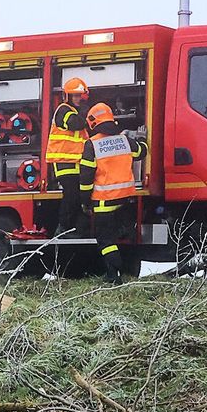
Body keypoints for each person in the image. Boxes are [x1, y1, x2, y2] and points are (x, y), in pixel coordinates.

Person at [78, 102, 147, 285]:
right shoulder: (125, 140)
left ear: (93, 123)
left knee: (105, 240)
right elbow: (142, 152)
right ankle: (126, 270)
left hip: (103, 202)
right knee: (123, 236)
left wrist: (84, 201)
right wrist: (142, 138)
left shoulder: (92, 144)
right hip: (125, 199)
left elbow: (86, 177)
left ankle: (113, 274)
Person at [45, 77, 92, 238]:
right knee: (71, 195)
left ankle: (77, 230)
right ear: (68, 96)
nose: (78, 98)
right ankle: (63, 229)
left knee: (79, 197)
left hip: (77, 162)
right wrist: (86, 112)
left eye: (80, 95)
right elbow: (74, 123)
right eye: (75, 95)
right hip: (64, 162)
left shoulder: (78, 112)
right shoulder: (63, 110)